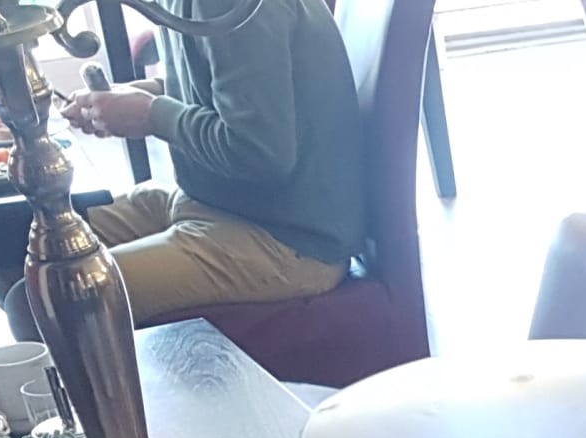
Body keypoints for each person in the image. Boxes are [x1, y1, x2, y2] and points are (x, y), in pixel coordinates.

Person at [37, 0, 367, 324]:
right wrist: (143, 96)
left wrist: (152, 114)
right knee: (33, 241)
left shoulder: (231, 7)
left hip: (291, 238)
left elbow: (260, 152)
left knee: (57, 295)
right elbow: (225, 85)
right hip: (215, 202)